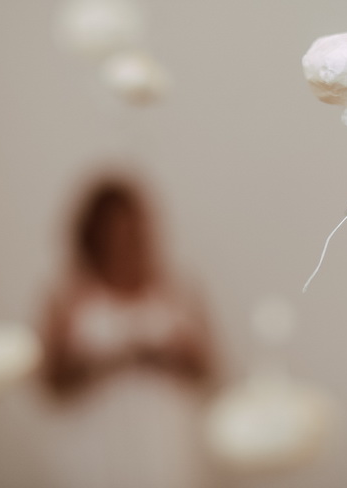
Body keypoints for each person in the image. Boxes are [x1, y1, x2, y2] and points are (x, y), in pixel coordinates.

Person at [38, 176, 218, 488]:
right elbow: (51, 382)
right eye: (116, 231)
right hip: (95, 447)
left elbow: (206, 369)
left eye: (135, 229)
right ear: (95, 236)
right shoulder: (69, 298)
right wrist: (108, 362)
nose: (127, 240)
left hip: (166, 446)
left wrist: (161, 356)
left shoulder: (178, 291)